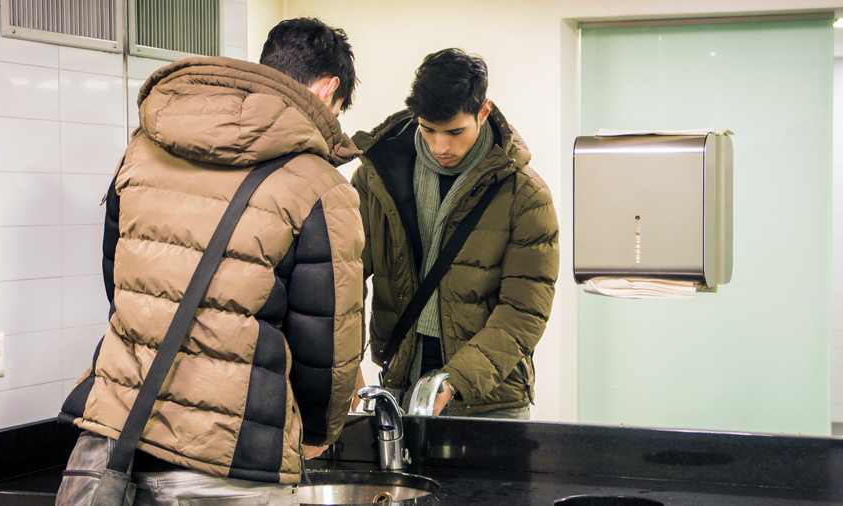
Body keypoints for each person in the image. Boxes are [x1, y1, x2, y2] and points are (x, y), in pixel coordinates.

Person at [56, 17, 364, 506]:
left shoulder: (141, 150)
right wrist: (318, 429)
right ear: (328, 91)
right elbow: (324, 343)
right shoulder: (321, 188)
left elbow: (121, 288)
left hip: (118, 442)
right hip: (233, 465)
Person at [351, 48, 559, 420]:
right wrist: (344, 365)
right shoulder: (377, 174)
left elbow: (524, 310)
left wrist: (456, 379)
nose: (440, 146)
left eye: (454, 131)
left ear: (483, 111)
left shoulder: (525, 195)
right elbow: (345, 276)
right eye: (427, 129)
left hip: (491, 399)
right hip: (401, 380)